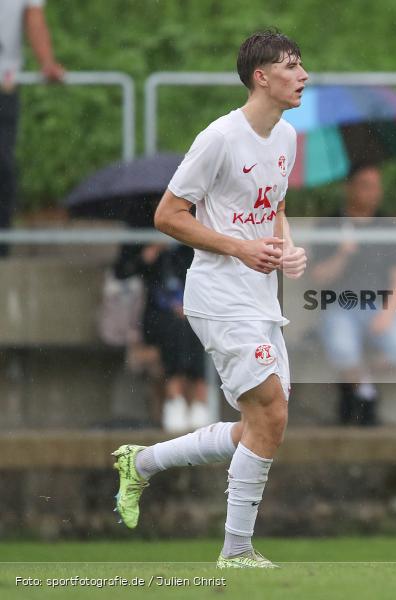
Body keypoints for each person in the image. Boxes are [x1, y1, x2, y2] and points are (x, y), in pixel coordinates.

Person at [110, 29, 308, 569]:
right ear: (261, 77)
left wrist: (287, 250)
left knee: (261, 427)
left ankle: (143, 463)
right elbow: (168, 216)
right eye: (291, 66)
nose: (303, 75)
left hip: (262, 298)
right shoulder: (219, 137)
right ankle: (235, 551)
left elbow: (276, 207)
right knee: (271, 411)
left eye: (301, 65)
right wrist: (240, 248)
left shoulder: (287, 137)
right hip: (219, 294)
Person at [309, 165, 396, 426]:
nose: (374, 193)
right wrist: (343, 253)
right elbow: (318, 277)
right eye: (366, 186)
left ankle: (358, 387)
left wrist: (388, 313)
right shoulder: (330, 224)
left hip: (378, 305)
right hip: (340, 306)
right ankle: (364, 395)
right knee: (343, 350)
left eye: (376, 186)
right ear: (350, 188)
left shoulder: (387, 226)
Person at [114, 243, 210, 431]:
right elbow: (122, 271)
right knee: (174, 326)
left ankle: (193, 396)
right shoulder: (147, 242)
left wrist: (189, 305)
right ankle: (179, 396)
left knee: (192, 326)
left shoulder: (192, 248)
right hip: (157, 320)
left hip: (193, 314)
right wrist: (146, 256)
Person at [0, 0, 64, 257]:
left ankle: (2, 242)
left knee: (3, 163)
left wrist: (46, 61)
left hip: (4, 80)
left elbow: (33, 16)